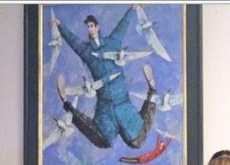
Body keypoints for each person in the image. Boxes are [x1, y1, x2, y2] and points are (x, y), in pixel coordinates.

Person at [54, 6, 157, 149]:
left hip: (123, 102)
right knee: (103, 140)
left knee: (137, 141)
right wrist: (60, 26)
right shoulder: (86, 51)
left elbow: (122, 26)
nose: (90, 29)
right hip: (105, 106)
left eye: (92, 26)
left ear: (97, 27)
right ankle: (66, 103)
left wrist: (132, 10)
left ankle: (152, 88)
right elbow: (73, 41)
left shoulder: (112, 42)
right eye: (88, 27)